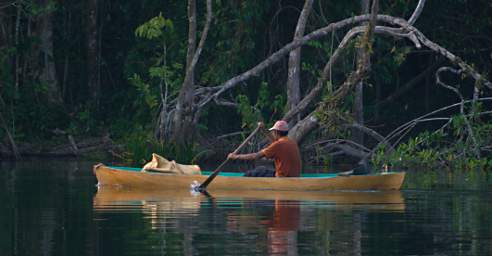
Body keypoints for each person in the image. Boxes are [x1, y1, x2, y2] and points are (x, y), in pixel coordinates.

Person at [228, 120, 302, 177]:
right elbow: (274, 141)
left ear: (276, 132)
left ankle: (239, 182)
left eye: (273, 132)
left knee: (257, 171)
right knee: (262, 169)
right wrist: (263, 129)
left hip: (282, 178)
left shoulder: (278, 144)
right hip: (294, 176)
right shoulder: (291, 142)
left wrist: (235, 156)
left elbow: (256, 156)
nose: (272, 133)